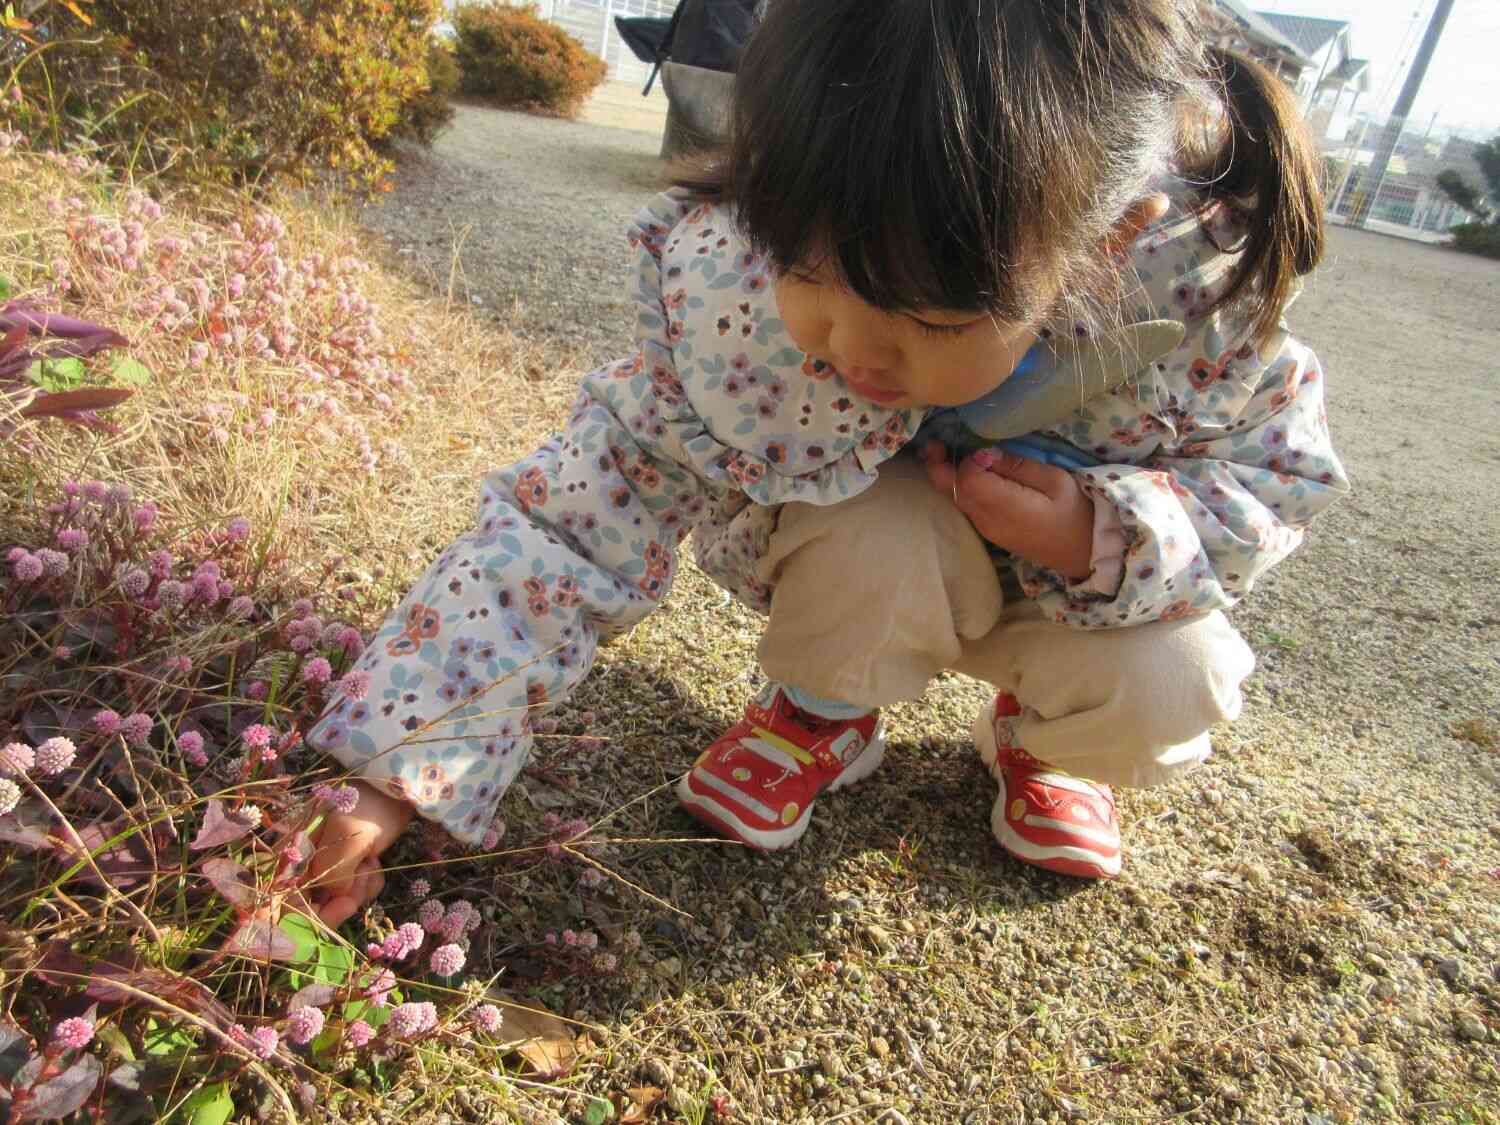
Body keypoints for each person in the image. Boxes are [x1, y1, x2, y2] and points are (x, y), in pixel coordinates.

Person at [304, 0, 1349, 923]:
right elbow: (572, 521)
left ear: (1108, 244)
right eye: (803, 269)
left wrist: (1098, 532)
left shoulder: (1199, 311)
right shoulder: (738, 292)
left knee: (1180, 680)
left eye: (923, 316)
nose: (844, 346)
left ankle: (1040, 743)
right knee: (867, 531)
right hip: (871, 553)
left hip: (1068, 598)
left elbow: (1273, 484)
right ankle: (827, 708)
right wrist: (392, 772)